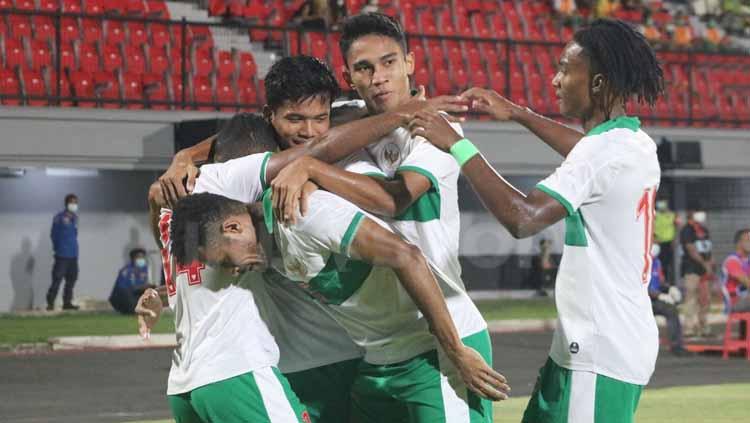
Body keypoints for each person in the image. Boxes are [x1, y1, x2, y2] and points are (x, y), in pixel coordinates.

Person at [154, 54, 470, 423]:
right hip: (281, 360)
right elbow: (305, 154)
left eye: (320, 119)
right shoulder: (274, 185)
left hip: (336, 349)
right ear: (269, 119)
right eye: (294, 120)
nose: (309, 131)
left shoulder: (194, 198)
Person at [409, 18, 664, 423]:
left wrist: (456, 145)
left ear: (597, 83)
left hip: (598, 351)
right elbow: (586, 152)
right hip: (598, 342)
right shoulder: (633, 143)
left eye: (566, 68)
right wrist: (517, 113)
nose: (555, 80)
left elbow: (522, 219)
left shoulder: (602, 154)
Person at [140, 115, 312, 423]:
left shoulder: (173, 205)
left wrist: (184, 156)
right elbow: (318, 150)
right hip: (235, 370)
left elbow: (155, 198)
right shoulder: (233, 184)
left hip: (185, 383)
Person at [648, 244, 690, 356]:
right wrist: (659, 296)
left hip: (654, 298)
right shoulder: (642, 262)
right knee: (670, 309)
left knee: (672, 310)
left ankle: (677, 345)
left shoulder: (656, 262)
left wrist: (670, 288)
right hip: (643, 300)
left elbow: (660, 281)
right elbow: (641, 286)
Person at [680, 210, 714, 338]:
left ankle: (704, 326)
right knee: (691, 297)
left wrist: (710, 264)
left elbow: (709, 249)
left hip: (705, 270)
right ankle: (689, 328)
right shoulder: (687, 230)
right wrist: (704, 264)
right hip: (691, 269)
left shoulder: (704, 230)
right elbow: (691, 249)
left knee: (705, 298)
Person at [47, 193, 80, 311]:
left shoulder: (75, 218)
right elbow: (54, 235)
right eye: (72, 202)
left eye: (76, 202)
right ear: (67, 203)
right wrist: (58, 248)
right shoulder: (59, 217)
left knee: (71, 279)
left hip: (73, 255)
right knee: (57, 279)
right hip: (62, 255)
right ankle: (50, 303)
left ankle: (67, 302)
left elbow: (74, 235)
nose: (74, 204)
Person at [109, 248, 152, 314]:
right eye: (139, 257)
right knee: (127, 293)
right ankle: (132, 310)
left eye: (142, 257)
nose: (141, 259)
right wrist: (141, 287)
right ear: (133, 259)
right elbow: (123, 288)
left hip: (135, 294)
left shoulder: (145, 270)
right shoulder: (126, 270)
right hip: (122, 297)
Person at [721, 228, 750, 313]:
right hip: (735, 302)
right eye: (748, 240)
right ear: (739, 243)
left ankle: (745, 326)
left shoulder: (747, 261)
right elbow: (747, 282)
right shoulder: (732, 261)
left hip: (745, 298)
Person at [654, 199, 678, 283]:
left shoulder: (671, 215)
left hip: (668, 243)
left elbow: (677, 226)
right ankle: (658, 280)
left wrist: (674, 240)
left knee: (668, 264)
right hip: (657, 242)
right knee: (657, 263)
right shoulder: (655, 214)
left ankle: (668, 281)